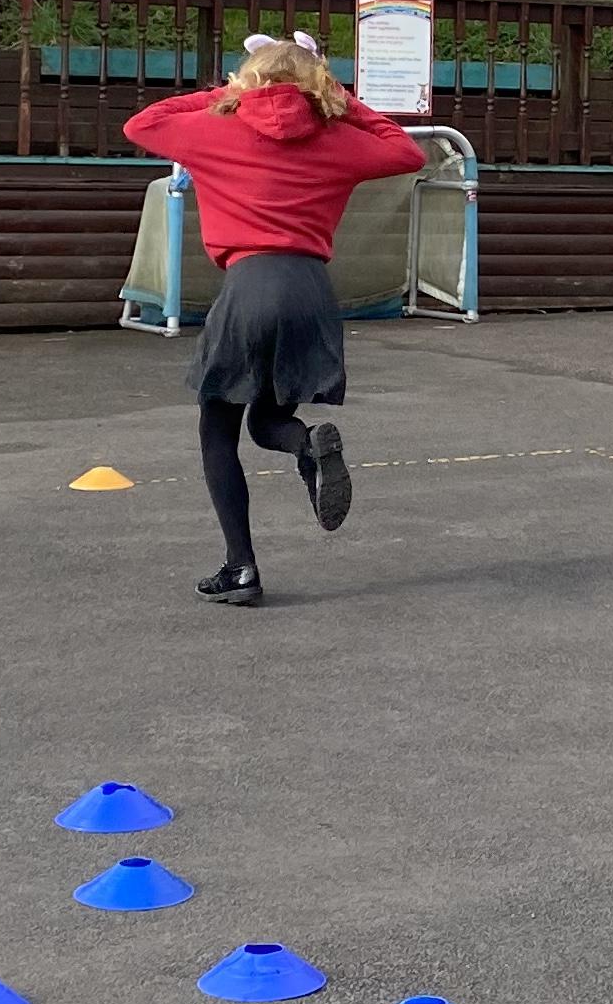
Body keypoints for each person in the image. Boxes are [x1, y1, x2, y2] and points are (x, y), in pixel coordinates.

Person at [121, 36, 426, 605]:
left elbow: (142, 124)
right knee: (268, 418)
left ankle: (241, 568)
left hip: (249, 285)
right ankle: (307, 445)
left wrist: (226, 96)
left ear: (248, 80)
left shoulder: (215, 128)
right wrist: (340, 102)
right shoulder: (337, 138)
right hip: (311, 290)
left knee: (218, 429)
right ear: (319, 86)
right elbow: (408, 153)